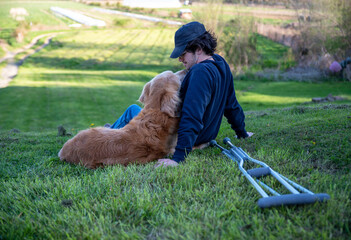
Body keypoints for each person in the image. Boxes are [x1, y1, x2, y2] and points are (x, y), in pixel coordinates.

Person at [108, 21, 253, 167]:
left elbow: (192, 116)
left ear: (198, 48)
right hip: (205, 136)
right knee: (135, 113)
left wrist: (178, 158)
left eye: (183, 53)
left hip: (179, 137)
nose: (180, 59)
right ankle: (113, 129)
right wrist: (242, 133)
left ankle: (108, 136)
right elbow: (231, 104)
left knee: (132, 110)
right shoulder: (220, 62)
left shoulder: (200, 73)